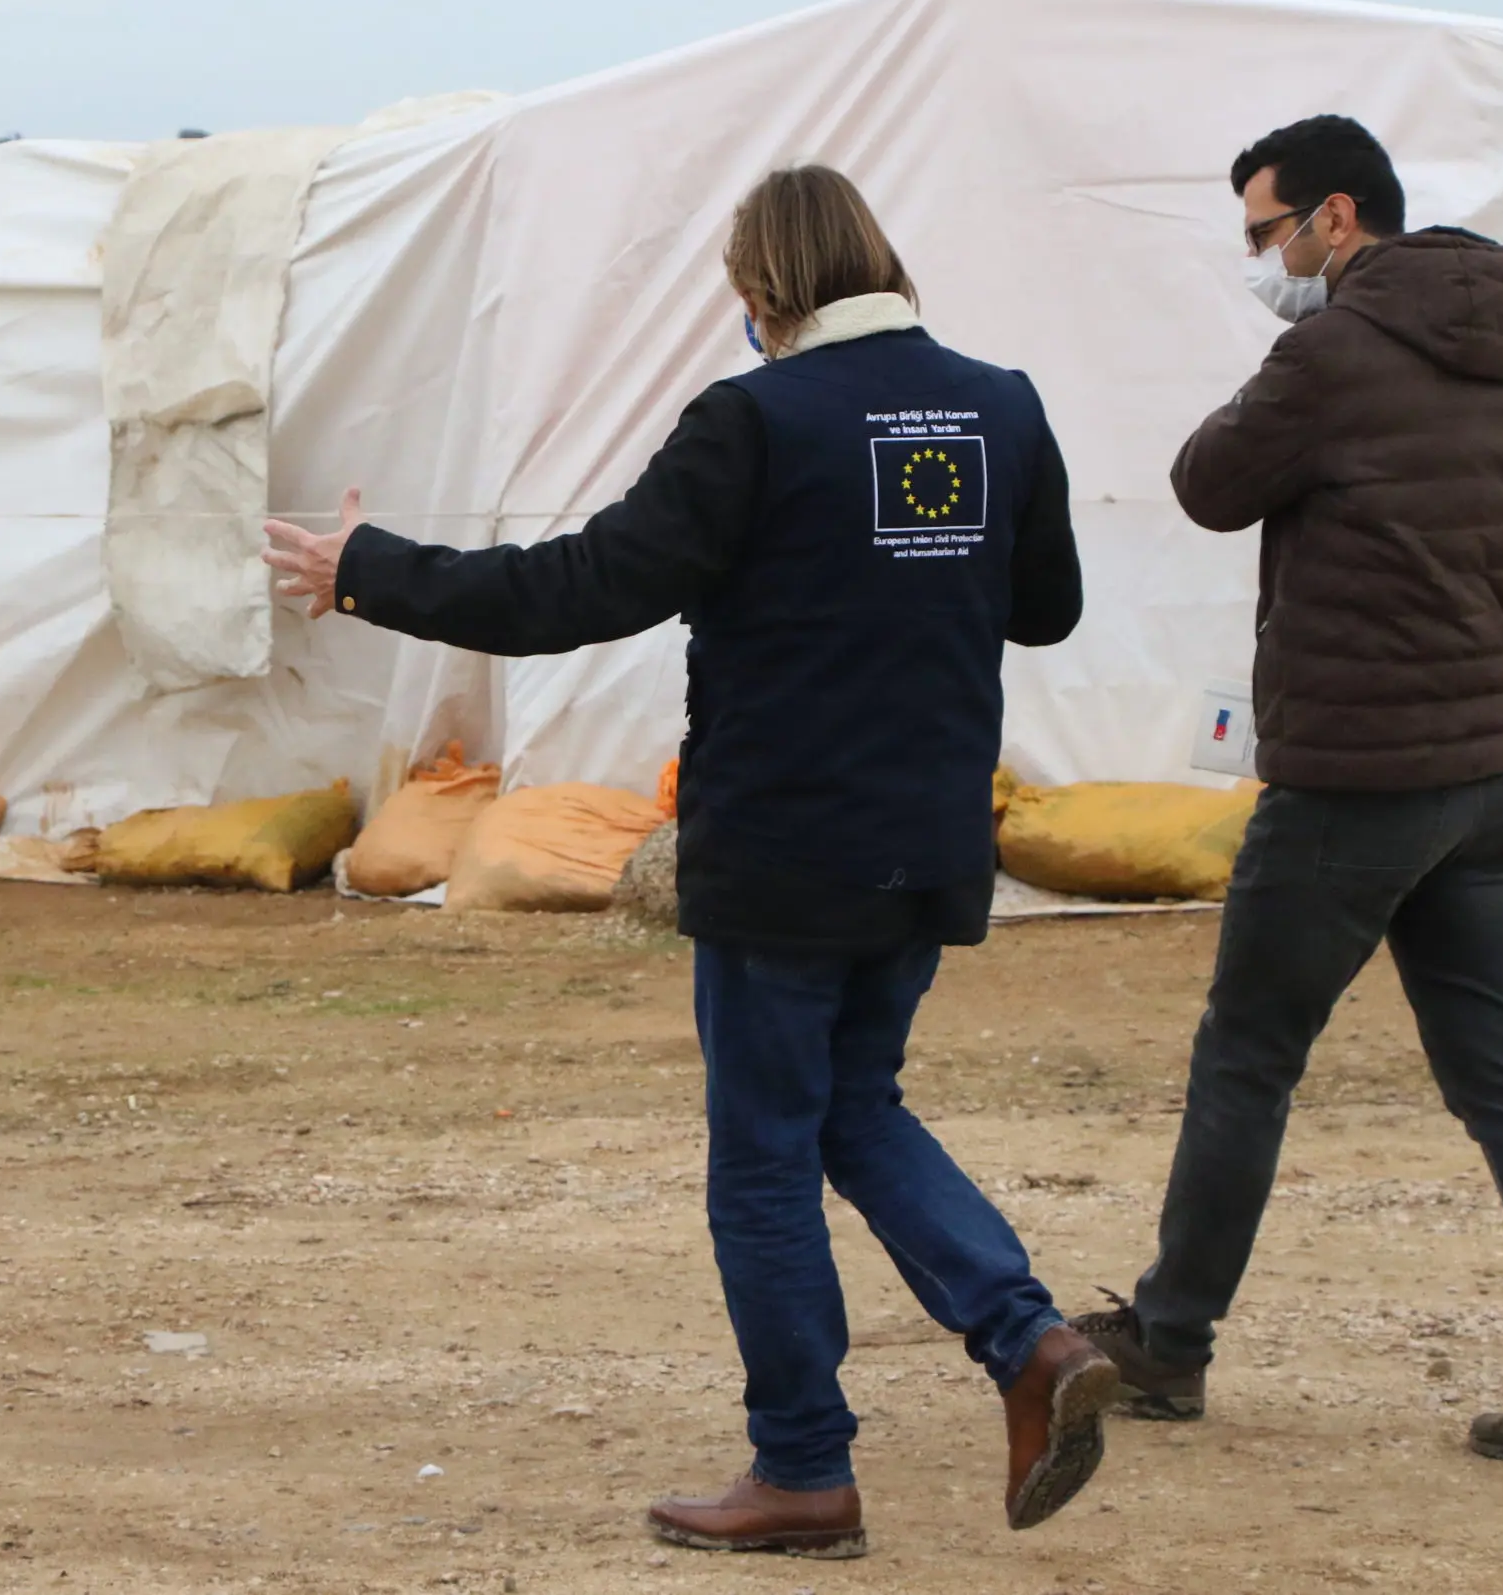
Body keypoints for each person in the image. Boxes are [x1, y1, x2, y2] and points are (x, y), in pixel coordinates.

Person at [262, 166, 1113, 1556]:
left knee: (766, 1161)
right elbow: (1051, 609)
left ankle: (804, 1467)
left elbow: (579, 589)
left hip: (784, 847)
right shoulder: (1001, 403)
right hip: (930, 836)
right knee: (859, 1108)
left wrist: (371, 567)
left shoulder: (754, 419)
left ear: (759, 291)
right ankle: (1028, 1341)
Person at [1071, 115, 1503, 1469]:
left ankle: (1172, 1340)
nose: (1260, 257)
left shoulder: (1330, 350)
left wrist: (1291, 371)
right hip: (1486, 767)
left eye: (1266, 230)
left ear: (1336, 217)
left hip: (1354, 775)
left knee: (1247, 1058)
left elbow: (1205, 482)